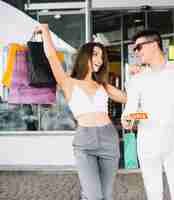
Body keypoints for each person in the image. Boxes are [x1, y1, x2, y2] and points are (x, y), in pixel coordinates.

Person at [35, 24, 127, 200]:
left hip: (109, 138)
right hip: (85, 142)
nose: (99, 59)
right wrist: (45, 31)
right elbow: (52, 57)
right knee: (93, 195)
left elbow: (127, 98)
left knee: (106, 196)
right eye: (95, 54)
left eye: (102, 56)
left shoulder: (103, 85)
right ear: (84, 56)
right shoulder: (68, 82)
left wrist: (137, 79)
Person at [121, 29, 174, 200]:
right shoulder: (137, 80)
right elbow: (129, 112)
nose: (136, 52)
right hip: (147, 143)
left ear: (154, 45)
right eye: (135, 49)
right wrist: (127, 120)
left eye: (139, 47)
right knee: (153, 193)